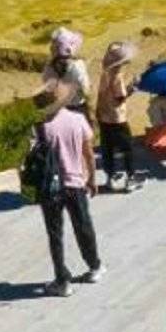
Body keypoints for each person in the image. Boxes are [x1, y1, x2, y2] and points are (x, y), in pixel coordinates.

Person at [30, 86, 101, 294]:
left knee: (55, 234)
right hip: (76, 183)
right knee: (83, 226)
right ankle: (94, 266)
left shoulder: (40, 128)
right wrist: (92, 179)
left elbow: (32, 159)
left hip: (51, 188)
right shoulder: (78, 120)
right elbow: (88, 153)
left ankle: (62, 280)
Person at [96, 40, 138, 191]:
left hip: (103, 115)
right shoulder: (118, 76)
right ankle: (130, 178)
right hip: (117, 118)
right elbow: (120, 98)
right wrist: (132, 89)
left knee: (107, 148)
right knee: (127, 148)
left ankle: (110, 177)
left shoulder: (104, 74)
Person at [43, 26, 91, 111]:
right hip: (77, 106)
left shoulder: (49, 67)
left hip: (59, 107)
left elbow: (48, 89)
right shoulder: (78, 65)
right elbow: (86, 90)